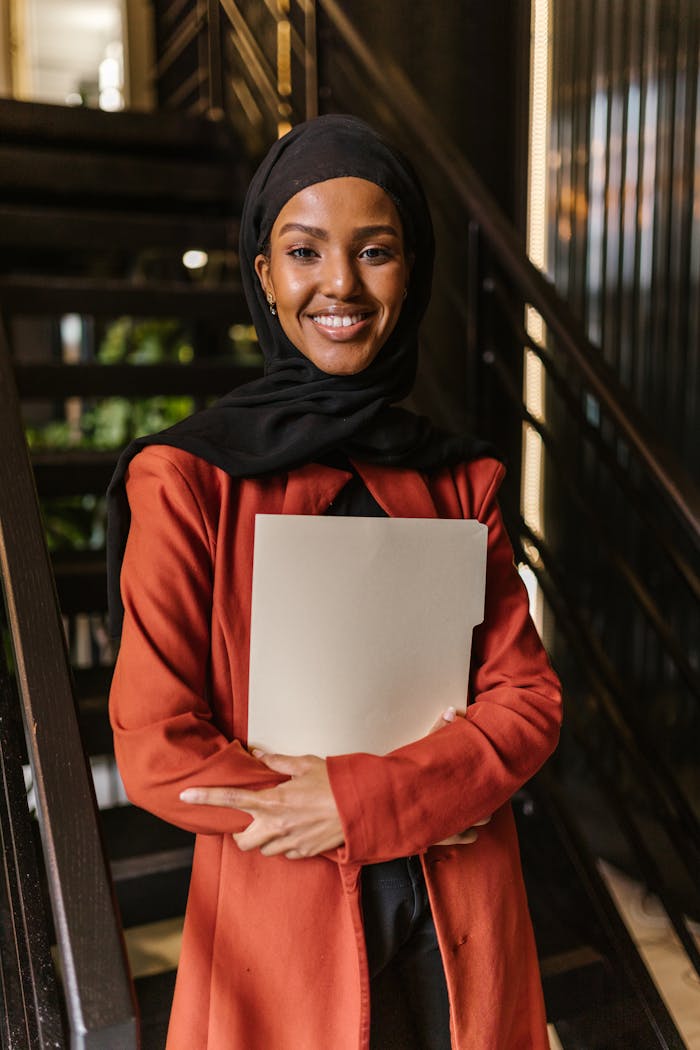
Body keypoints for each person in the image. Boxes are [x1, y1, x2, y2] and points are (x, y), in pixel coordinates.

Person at [107, 114, 562, 1050]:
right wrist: (420, 799)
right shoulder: (189, 478)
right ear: (265, 276)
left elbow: (528, 700)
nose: (341, 284)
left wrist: (362, 803)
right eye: (304, 251)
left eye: (377, 251)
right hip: (282, 932)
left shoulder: (458, 480)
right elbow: (156, 746)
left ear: (415, 269)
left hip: (457, 932)